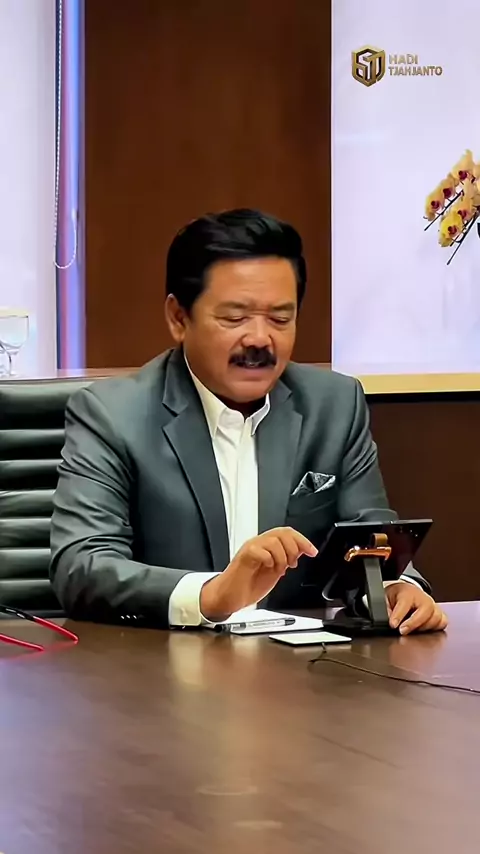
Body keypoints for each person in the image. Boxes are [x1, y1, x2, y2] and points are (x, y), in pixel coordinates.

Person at [50, 209, 447, 634]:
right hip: (160, 663)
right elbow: (83, 564)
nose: (260, 339)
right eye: (234, 318)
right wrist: (211, 595)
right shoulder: (113, 414)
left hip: (303, 666)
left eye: (280, 319)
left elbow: (373, 539)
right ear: (179, 318)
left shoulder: (333, 405)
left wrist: (395, 589)